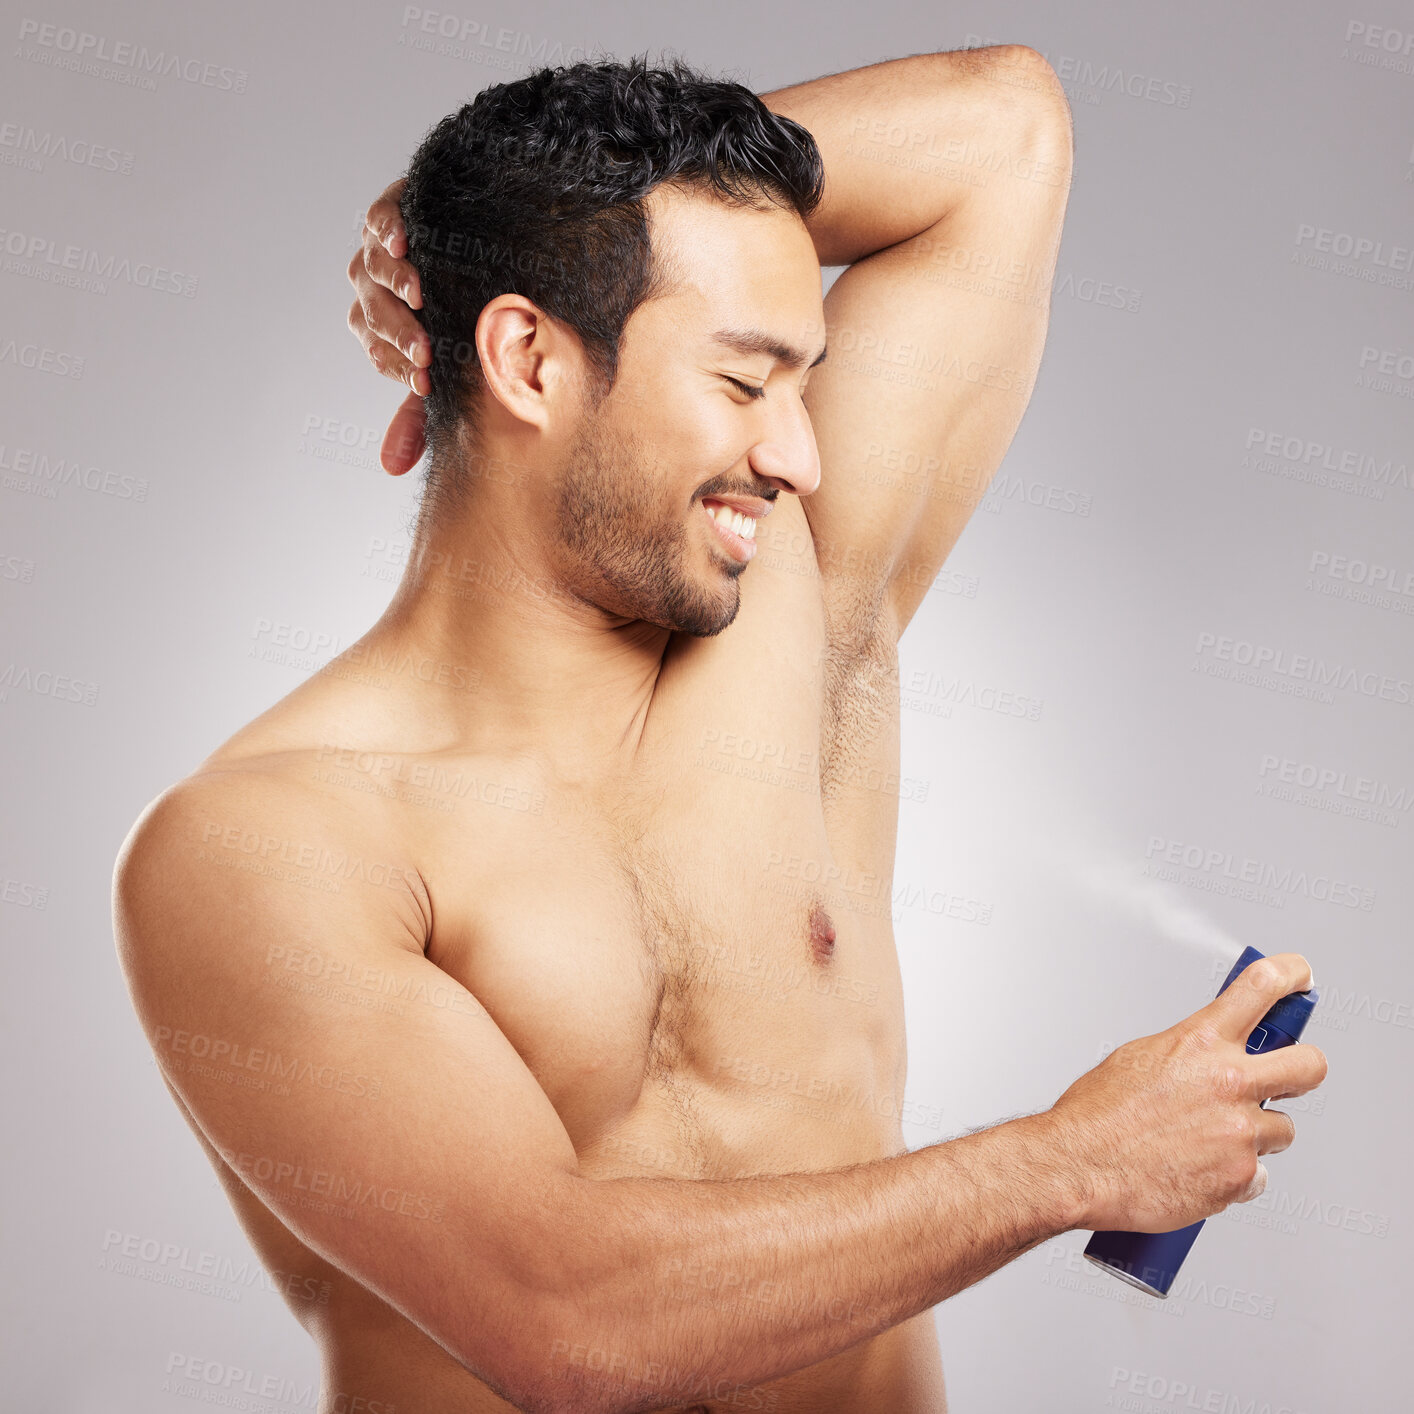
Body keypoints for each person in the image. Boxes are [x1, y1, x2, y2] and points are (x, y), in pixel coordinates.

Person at [113, 49, 1326, 1414]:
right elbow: (565, 1318)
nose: (799, 457)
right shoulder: (266, 846)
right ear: (527, 357)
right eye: (744, 383)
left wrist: (493, 221)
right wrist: (1066, 1161)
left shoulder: (791, 628)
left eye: (803, 386)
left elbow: (998, 130)